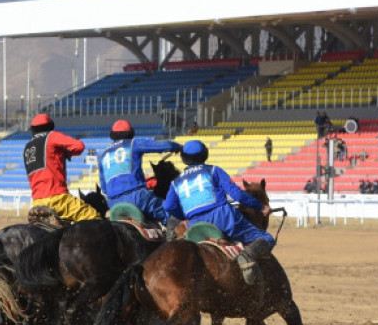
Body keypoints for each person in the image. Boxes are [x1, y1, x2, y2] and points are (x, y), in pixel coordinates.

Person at [163, 140, 273, 285]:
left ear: (184, 158)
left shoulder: (175, 182)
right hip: (223, 218)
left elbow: (168, 206)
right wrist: (261, 207)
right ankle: (247, 256)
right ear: (205, 154)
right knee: (266, 237)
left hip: (195, 224)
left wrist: (185, 216)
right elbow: (237, 195)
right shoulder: (214, 170)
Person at [98, 119, 181, 224]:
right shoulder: (134, 143)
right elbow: (163, 145)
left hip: (113, 203)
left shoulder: (103, 155)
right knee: (172, 213)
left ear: (112, 135)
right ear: (131, 132)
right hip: (137, 197)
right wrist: (178, 146)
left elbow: (104, 189)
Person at [23, 113, 100, 221]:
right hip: (58, 199)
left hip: (37, 202)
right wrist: (66, 152)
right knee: (95, 219)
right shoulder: (52, 136)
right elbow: (79, 146)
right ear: (50, 126)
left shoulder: (28, 147)